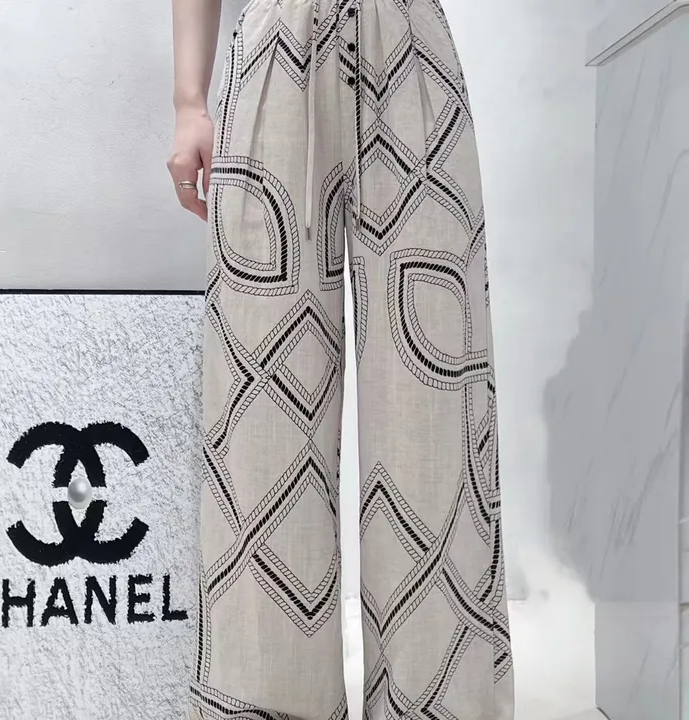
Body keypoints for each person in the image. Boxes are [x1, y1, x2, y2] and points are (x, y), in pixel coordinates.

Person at [168, 0, 514, 717]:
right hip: (274, 53)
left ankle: (440, 704)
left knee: (435, 412)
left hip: (412, 52)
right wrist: (188, 103)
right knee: (260, 430)